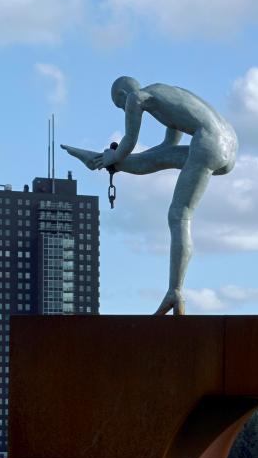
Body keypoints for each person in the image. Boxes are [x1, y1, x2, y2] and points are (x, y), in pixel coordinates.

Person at [63, 76, 238, 316]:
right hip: (229, 145)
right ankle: (100, 161)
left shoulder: (137, 97)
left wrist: (111, 158)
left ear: (122, 96)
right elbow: (164, 149)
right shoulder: (168, 92)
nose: (125, 110)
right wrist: (118, 162)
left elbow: (128, 142)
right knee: (157, 161)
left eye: (120, 106)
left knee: (179, 215)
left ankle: (175, 290)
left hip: (209, 144)